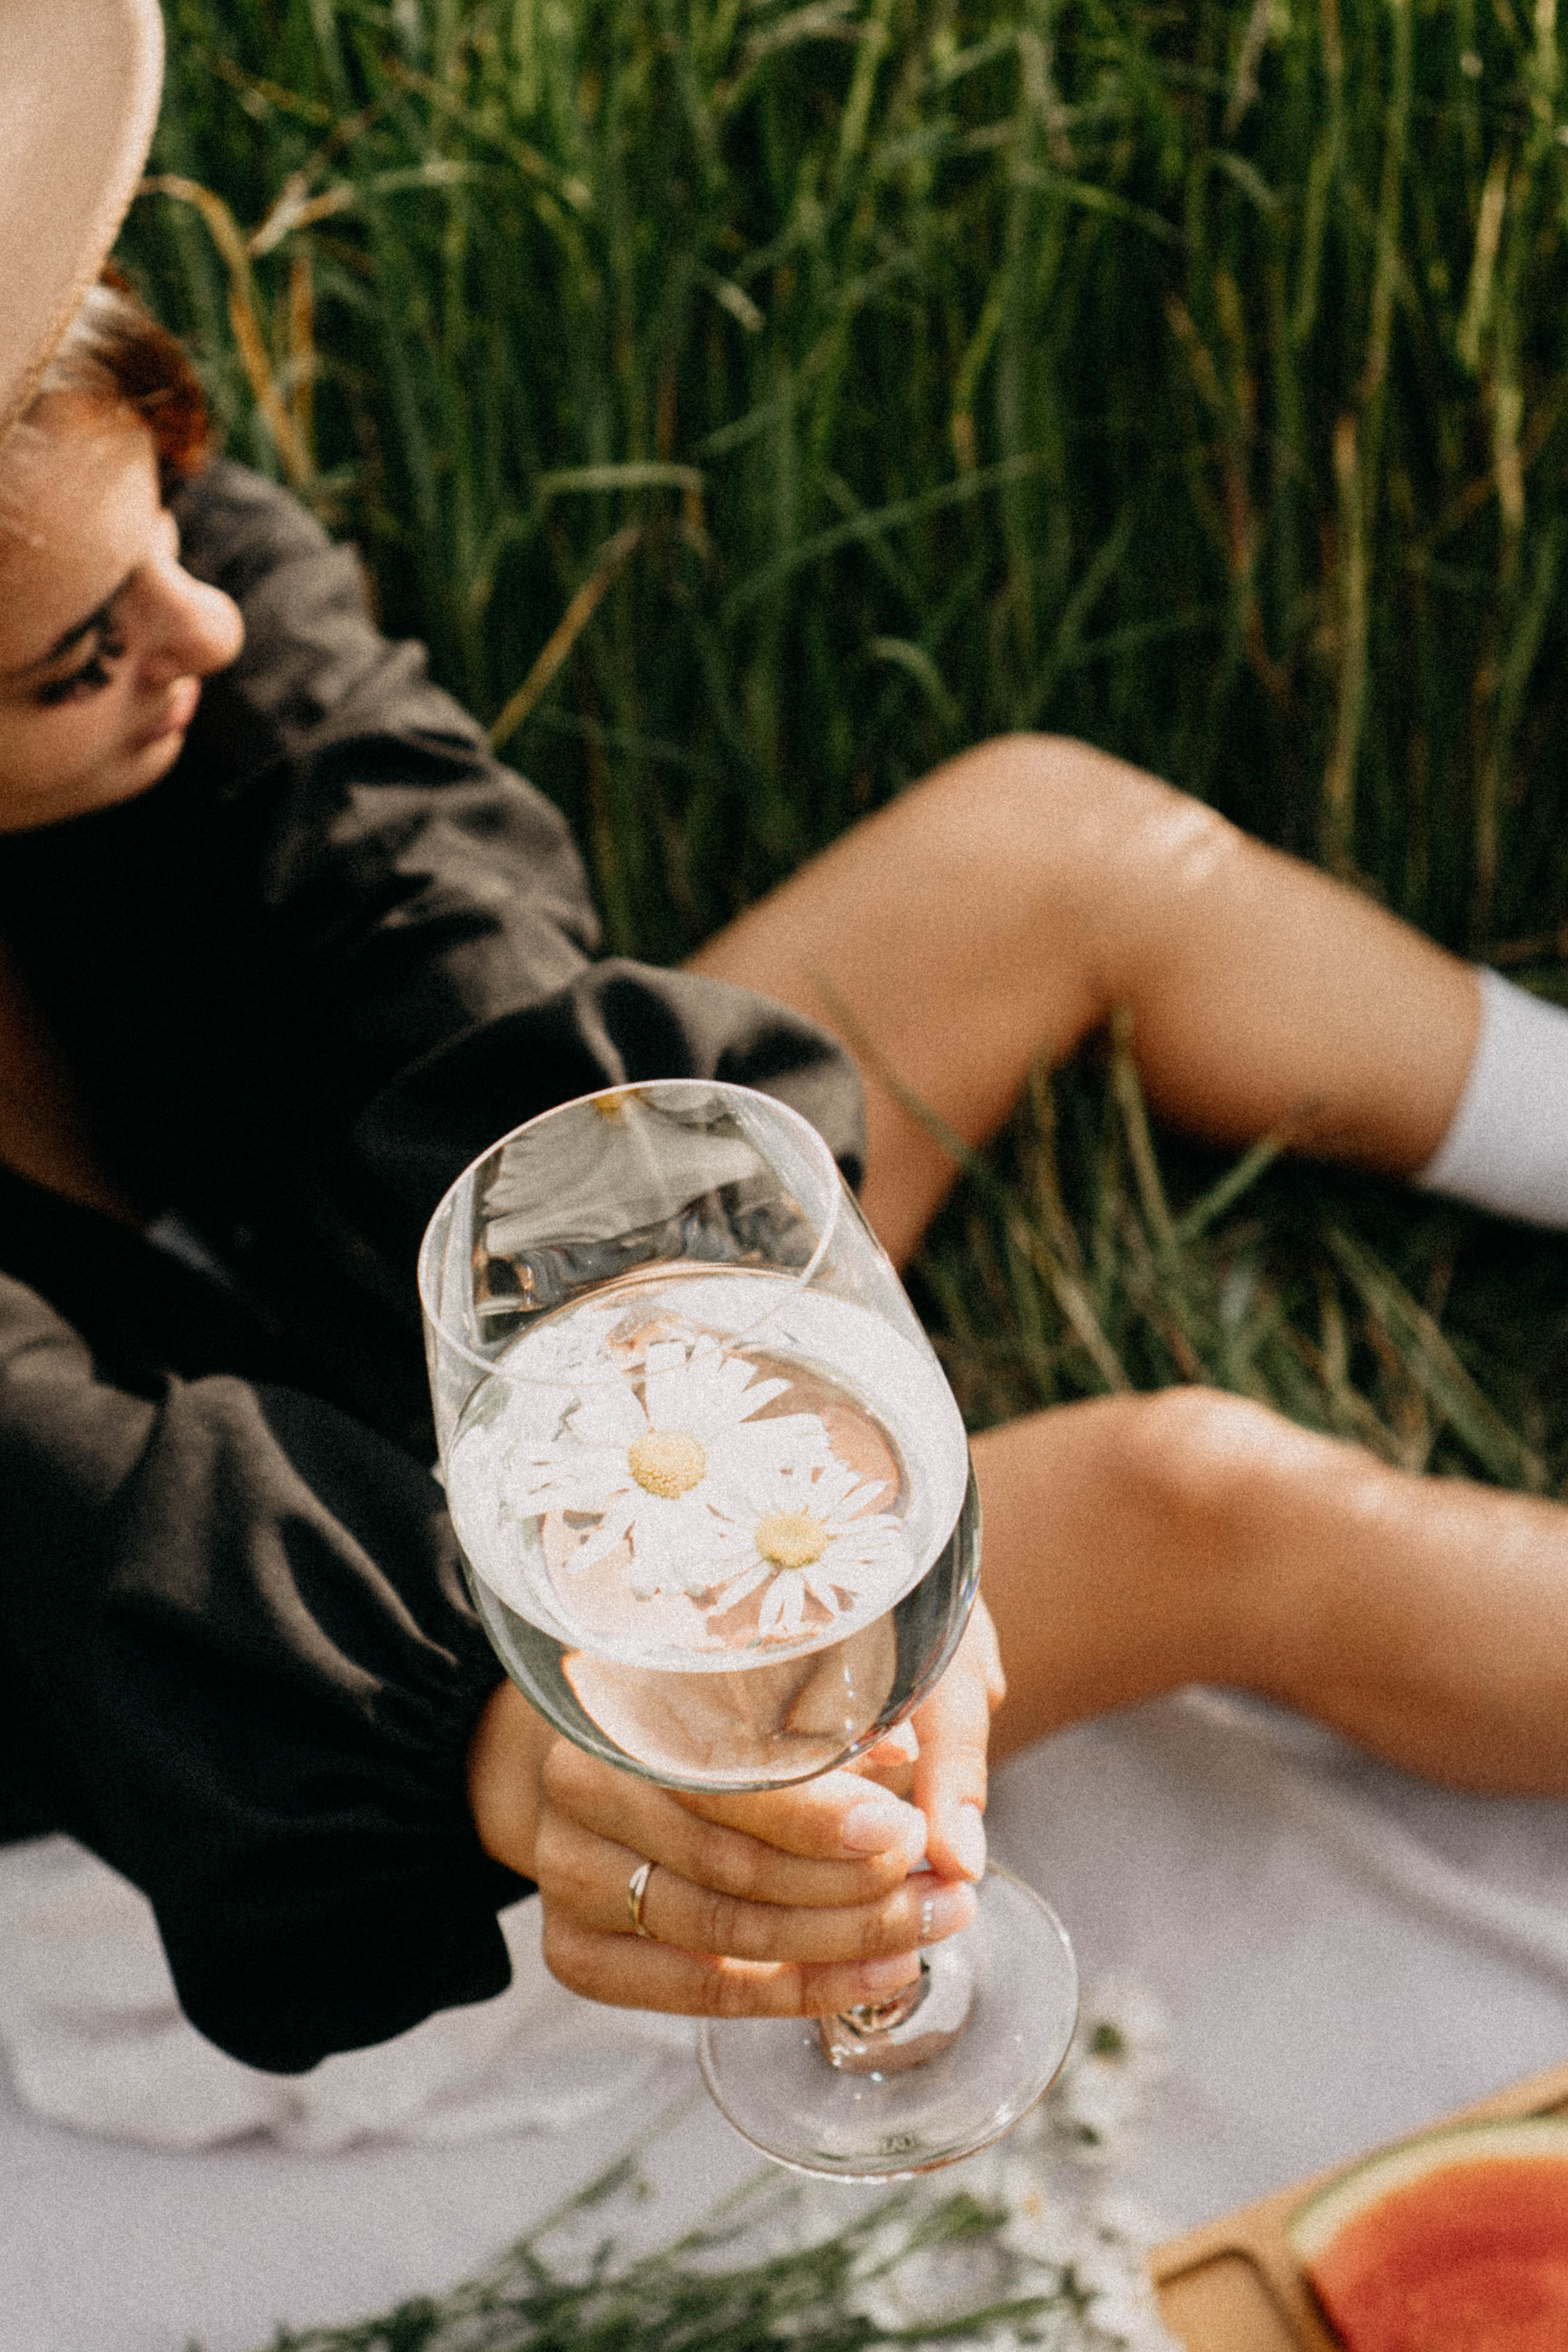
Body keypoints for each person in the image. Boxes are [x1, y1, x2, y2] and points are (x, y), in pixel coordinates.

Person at [7, 0, 1568, 2082]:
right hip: (218, 1766)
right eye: (79, 653)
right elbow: (70, 1530)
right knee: (1201, 1499)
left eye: (185, 503)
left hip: (427, 1362)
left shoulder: (75, 524)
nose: (200, 623)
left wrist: (680, 1300)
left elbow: (402, 876)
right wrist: (518, 1730)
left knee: (1056, 844)